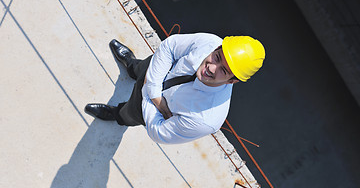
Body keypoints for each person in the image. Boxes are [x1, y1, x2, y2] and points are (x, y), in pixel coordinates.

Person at [85, 33, 265, 144]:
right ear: (217, 47)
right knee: (140, 67)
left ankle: (117, 114)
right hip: (157, 76)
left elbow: (158, 132)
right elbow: (170, 47)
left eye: (223, 70)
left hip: (149, 111)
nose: (211, 68)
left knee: (128, 114)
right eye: (217, 57)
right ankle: (132, 65)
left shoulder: (207, 119)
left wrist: (148, 97)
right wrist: (154, 94)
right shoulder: (210, 42)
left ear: (232, 81)